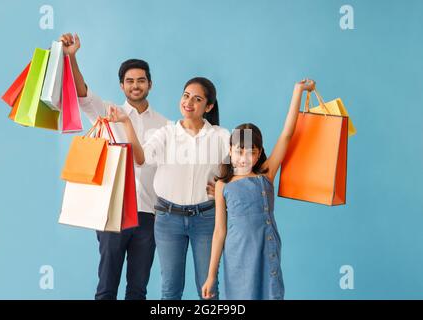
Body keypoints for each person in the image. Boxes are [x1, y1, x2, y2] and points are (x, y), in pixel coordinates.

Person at [59, 33, 169, 300]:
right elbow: (82, 93)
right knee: (107, 288)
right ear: (121, 86)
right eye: (129, 81)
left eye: (141, 80)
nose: (135, 85)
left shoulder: (166, 125)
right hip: (113, 212)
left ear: (150, 84)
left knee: (138, 290)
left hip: (148, 215)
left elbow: (174, 170)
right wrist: (72, 57)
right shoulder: (107, 112)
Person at [107, 77, 230, 300]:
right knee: (170, 290)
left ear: (208, 106)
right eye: (186, 95)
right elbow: (141, 159)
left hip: (205, 218)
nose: (189, 102)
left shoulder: (221, 137)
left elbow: (235, 173)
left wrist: (223, 186)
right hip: (168, 218)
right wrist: (126, 122)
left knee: (209, 289)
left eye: (197, 98)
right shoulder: (165, 133)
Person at [201, 79, 316, 300]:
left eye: (251, 152)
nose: (244, 158)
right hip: (238, 255)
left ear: (259, 152)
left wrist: (298, 91)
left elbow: (287, 134)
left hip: (266, 247)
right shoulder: (223, 185)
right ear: (230, 150)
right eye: (239, 151)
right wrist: (211, 275)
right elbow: (219, 232)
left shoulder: (266, 174)